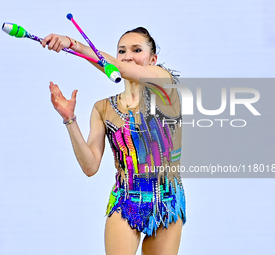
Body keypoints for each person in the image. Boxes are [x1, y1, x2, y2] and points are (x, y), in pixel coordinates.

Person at [41, 27, 186, 255]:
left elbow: (123, 69)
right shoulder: (103, 108)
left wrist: (72, 43)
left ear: (153, 59)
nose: (128, 56)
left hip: (165, 199)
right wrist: (70, 120)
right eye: (121, 51)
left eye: (137, 50)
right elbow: (90, 166)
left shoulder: (164, 86)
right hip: (125, 199)